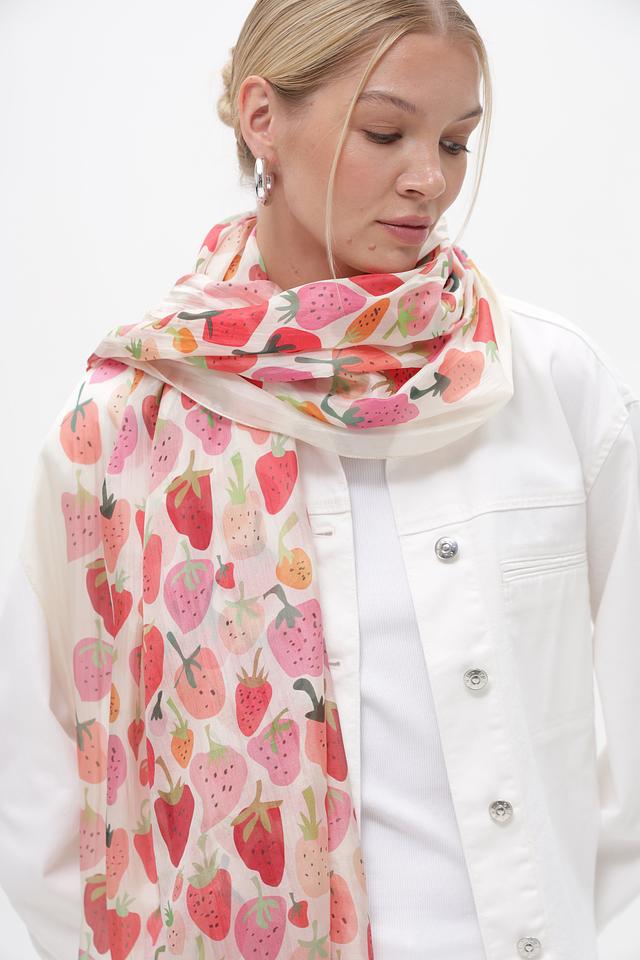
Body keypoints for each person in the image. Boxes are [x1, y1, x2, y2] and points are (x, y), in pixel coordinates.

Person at [1, 1, 639, 959]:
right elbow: (41, 795)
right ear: (263, 118)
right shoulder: (118, 427)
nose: (430, 180)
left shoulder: (547, 385)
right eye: (385, 133)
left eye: (455, 143)